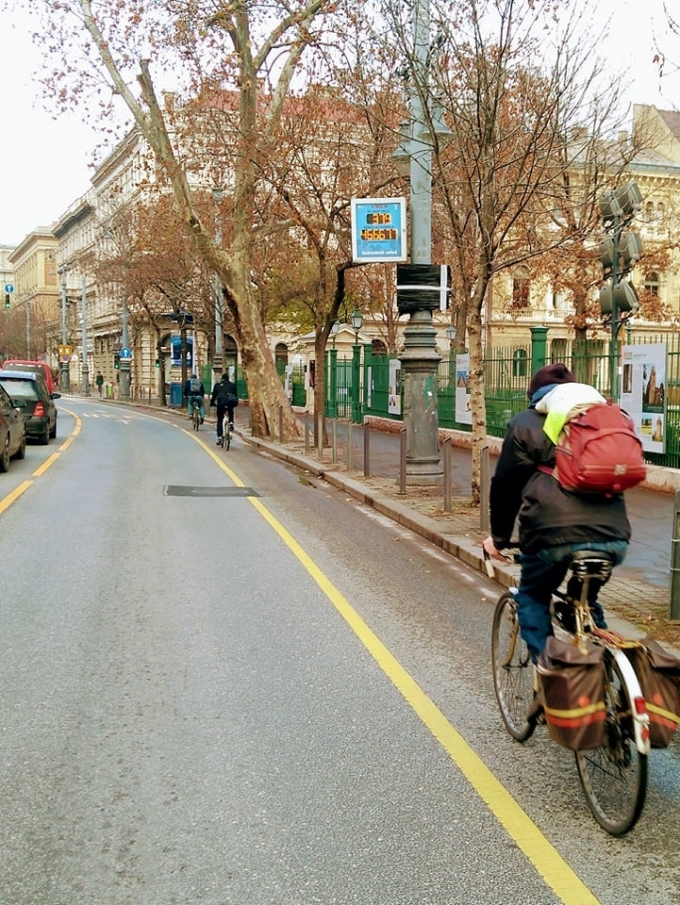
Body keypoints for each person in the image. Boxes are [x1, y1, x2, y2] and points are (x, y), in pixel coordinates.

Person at [482, 363, 631, 663]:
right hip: (615, 536)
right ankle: (608, 669)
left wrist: (498, 539)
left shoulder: (526, 422)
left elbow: (506, 486)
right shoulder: (607, 420)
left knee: (533, 597)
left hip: (551, 532)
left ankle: (554, 676)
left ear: (536, 396)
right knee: (585, 601)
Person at [210, 371, 238, 445]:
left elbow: (214, 396)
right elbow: (235, 395)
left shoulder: (217, 385)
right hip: (230, 402)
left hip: (221, 403)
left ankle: (219, 437)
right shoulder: (233, 385)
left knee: (219, 420)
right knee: (230, 410)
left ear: (221, 379)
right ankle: (231, 422)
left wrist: (212, 403)